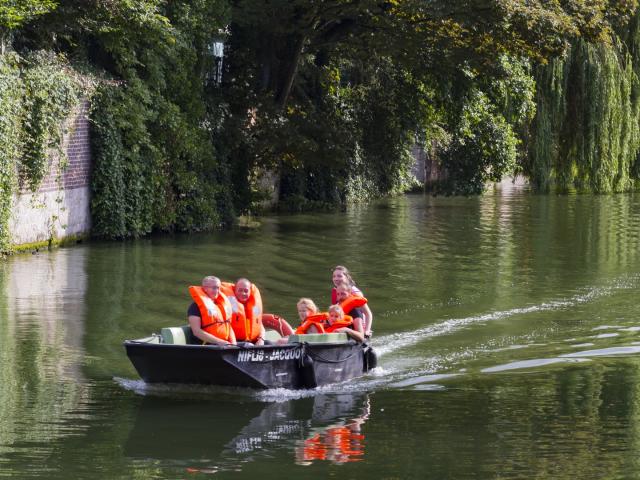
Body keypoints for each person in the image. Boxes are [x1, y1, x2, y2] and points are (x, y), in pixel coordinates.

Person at [187, 276, 236, 346]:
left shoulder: (219, 306)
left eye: (218, 288)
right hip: (205, 346)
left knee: (249, 345)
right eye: (214, 288)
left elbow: (228, 325)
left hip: (223, 344)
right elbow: (196, 331)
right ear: (205, 289)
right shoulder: (195, 307)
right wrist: (219, 341)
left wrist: (234, 344)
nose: (217, 291)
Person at [221, 278, 268, 346]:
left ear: (250, 292)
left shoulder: (253, 305)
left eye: (246, 291)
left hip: (252, 340)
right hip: (234, 341)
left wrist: (261, 339)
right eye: (240, 290)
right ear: (234, 290)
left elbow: (260, 324)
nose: (243, 293)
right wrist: (233, 343)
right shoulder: (226, 304)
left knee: (270, 343)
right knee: (248, 345)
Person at [331, 266, 373, 337]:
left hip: (359, 326)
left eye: (339, 276)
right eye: (334, 276)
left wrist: (367, 330)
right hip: (346, 322)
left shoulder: (355, 293)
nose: (336, 279)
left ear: (346, 277)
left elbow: (368, 313)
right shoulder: (336, 291)